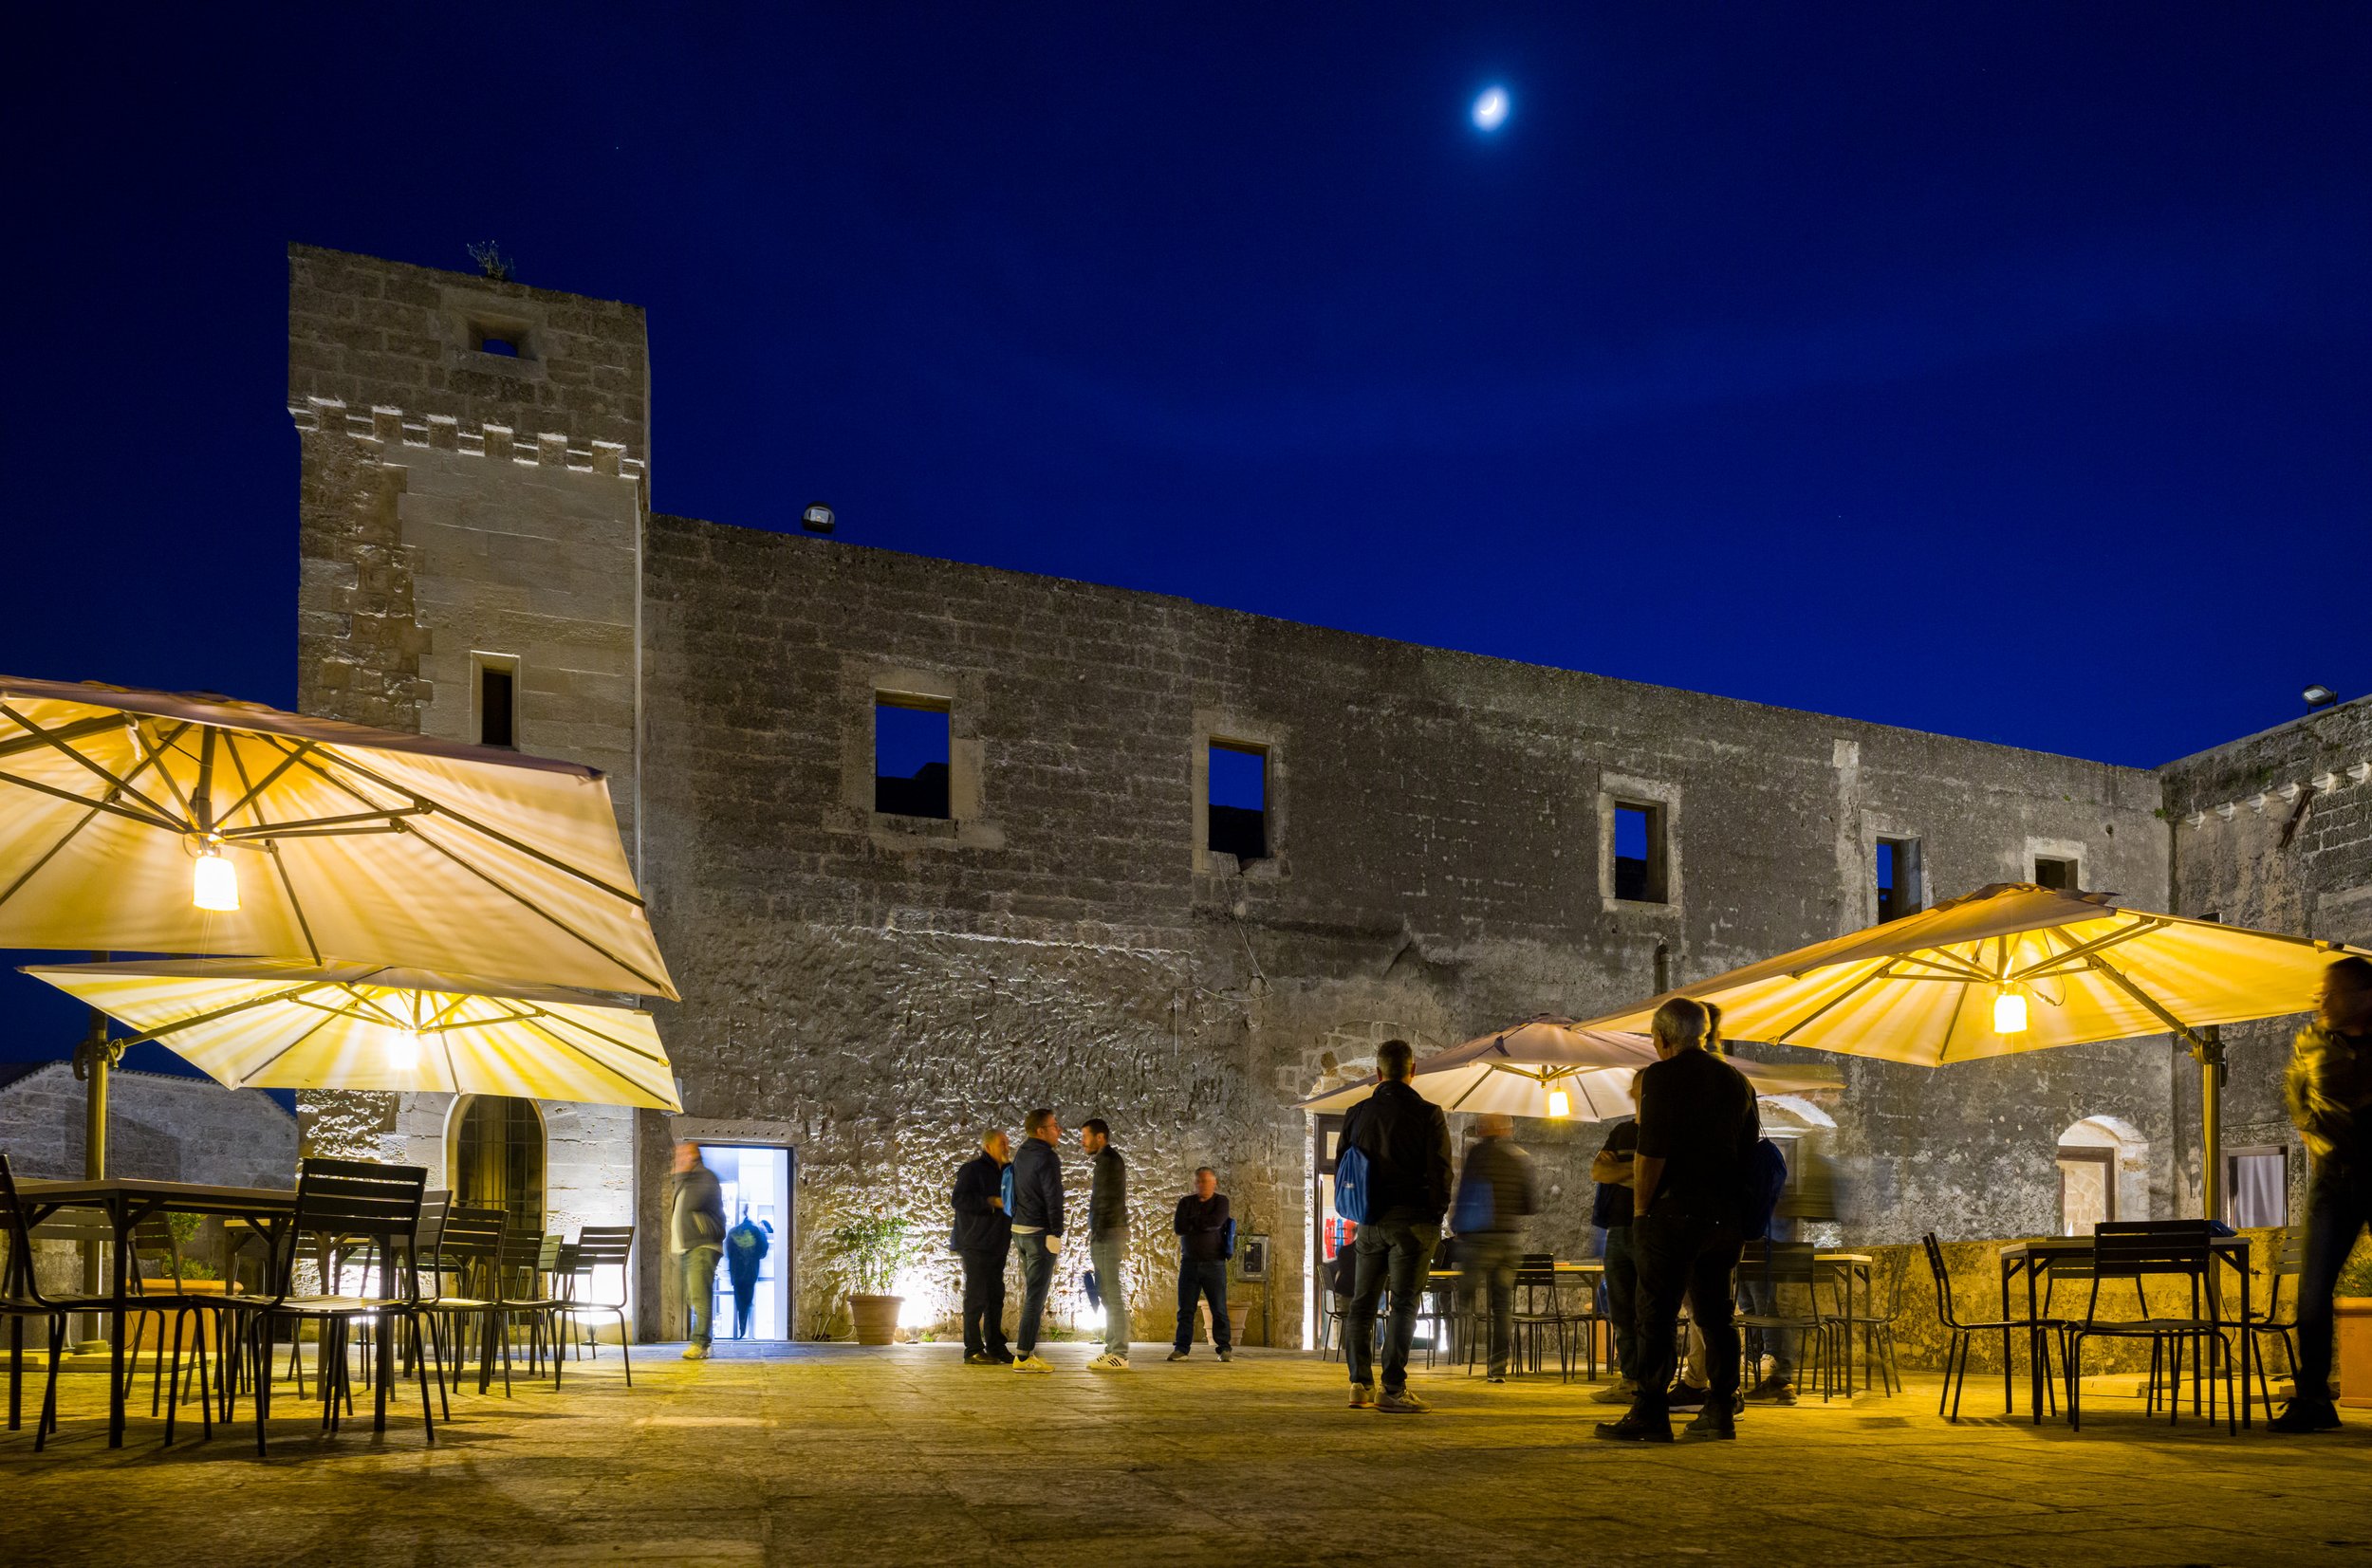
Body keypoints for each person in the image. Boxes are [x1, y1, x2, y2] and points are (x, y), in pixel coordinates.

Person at [1597, 997, 1759, 1443]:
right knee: (1716, 1316)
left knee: (1657, 1315)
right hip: (1724, 1216)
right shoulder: (1737, 1081)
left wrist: (1642, 1210)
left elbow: (1652, 1151)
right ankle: (1721, 1409)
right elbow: (1749, 1153)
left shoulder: (1661, 1077)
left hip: (1674, 1213)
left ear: (1662, 1039)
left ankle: (1650, 1411)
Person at [2271, 955, 2372, 1433]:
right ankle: (2313, 1400)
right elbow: (2296, 1095)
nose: (2320, 1001)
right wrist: (2315, 1135)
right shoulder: (2311, 1041)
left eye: (2330, 992)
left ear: (2364, 995)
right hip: (2334, 1177)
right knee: (2312, 1292)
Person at [1338, 1038, 1455, 1413]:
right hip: (1413, 1222)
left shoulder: (1357, 1112)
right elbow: (1441, 1171)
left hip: (1369, 1221)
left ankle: (1359, 1383)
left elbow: (1343, 1165)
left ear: (1378, 1073)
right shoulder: (1428, 1114)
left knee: (1362, 1305)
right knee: (1403, 1305)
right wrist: (1434, 1216)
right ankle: (1392, 1387)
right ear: (1413, 1071)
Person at [1454, 1113, 1537, 1383]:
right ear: (1507, 1130)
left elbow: (1465, 1192)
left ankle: (1453, 1343)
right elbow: (1529, 1205)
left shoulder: (1478, 1154)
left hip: (1480, 1238)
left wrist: (1458, 1225)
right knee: (1502, 1307)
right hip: (1508, 1241)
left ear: (1486, 1130)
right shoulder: (1519, 1157)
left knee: (1464, 1296)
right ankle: (1498, 1367)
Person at [1588, 1094, 1643, 1405]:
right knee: (1620, 1309)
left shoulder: (1664, 1131)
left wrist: (1620, 1168)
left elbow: (1662, 1174)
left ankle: (1650, 1381)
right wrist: (1637, 1171)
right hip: (1618, 1228)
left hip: (1649, 1228)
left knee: (1648, 1310)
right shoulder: (1622, 1131)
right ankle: (1630, 1379)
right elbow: (1598, 1172)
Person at [1008, 1108, 1065, 1374]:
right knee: (1035, 1296)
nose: (1059, 1130)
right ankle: (1023, 1355)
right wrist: (1056, 1232)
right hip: (1039, 1233)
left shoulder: (1021, 1153)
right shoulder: (1047, 1158)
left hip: (1019, 1230)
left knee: (1032, 1293)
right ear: (1041, 1131)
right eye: (1054, 1126)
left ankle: (1027, 1350)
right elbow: (1053, 1198)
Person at [951, 1130, 1014, 1364]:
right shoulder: (972, 1170)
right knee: (976, 1296)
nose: (1007, 1147)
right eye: (1002, 1143)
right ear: (988, 1147)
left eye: (1007, 1143)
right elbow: (958, 1200)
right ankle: (973, 1349)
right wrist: (990, 1202)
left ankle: (996, 1346)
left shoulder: (1008, 1172)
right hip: (974, 1242)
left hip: (997, 1241)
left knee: (995, 1296)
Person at [1169, 1167, 1234, 1361]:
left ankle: (1224, 1348)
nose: (1201, 1185)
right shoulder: (1185, 1202)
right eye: (1198, 1181)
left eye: (1205, 1181)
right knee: (1185, 1309)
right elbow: (1179, 1227)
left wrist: (1193, 1222)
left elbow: (1215, 1222)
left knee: (1219, 1308)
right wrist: (1200, 1223)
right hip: (1189, 1263)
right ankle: (1181, 1348)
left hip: (1214, 1264)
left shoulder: (1221, 1202)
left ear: (1214, 1183)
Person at [670, 1141, 727, 1360]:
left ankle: (701, 1343)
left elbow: (694, 1202)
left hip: (702, 1245)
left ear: (694, 1156)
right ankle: (701, 1341)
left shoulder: (704, 1177)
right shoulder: (688, 1180)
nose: (678, 1159)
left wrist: (681, 1175)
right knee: (692, 1296)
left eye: (683, 1155)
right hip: (688, 1246)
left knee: (700, 1296)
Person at [1082, 1118, 1131, 1370]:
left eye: (1086, 1137)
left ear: (1100, 1137)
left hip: (1108, 1233)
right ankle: (1112, 1347)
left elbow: (1106, 1202)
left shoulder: (1109, 1161)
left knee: (1112, 1293)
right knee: (1106, 1293)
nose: (1083, 1142)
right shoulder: (1105, 1161)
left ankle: (1120, 1352)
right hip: (1104, 1232)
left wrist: (1098, 1232)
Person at [725, 1210, 769, 1338]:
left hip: (736, 1272)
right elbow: (763, 1252)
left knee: (740, 1300)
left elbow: (728, 1253)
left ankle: (742, 1326)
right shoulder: (757, 1232)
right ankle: (746, 1330)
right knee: (748, 1300)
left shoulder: (732, 1232)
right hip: (751, 1272)